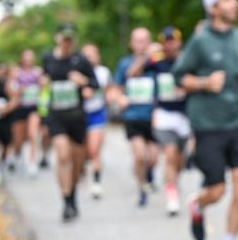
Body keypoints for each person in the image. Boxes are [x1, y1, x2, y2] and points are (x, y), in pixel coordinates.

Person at [173, 0, 238, 240]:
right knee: (217, 190)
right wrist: (204, 83)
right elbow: (179, 77)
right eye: (227, 0)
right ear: (213, 8)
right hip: (208, 124)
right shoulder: (200, 42)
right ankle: (198, 204)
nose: (235, 4)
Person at [42, 24, 98, 222]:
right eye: (64, 38)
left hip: (76, 117)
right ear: (57, 38)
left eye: (70, 38)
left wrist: (83, 82)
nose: (67, 42)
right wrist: (44, 82)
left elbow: (94, 84)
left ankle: (72, 194)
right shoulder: (48, 58)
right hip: (56, 114)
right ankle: (65, 201)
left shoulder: (81, 60)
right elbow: (45, 78)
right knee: (63, 156)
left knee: (75, 162)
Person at [147, 26, 192, 216]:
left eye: (173, 40)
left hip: (185, 115)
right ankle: (172, 195)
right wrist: (146, 54)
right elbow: (133, 74)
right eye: (166, 40)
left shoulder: (187, 60)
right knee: (171, 153)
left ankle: (173, 182)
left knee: (180, 159)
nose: (170, 44)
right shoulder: (156, 61)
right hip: (165, 114)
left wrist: (187, 89)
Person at [113, 27, 161, 207]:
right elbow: (120, 84)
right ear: (131, 43)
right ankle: (141, 189)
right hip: (133, 116)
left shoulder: (157, 61)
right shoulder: (126, 63)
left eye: (144, 40)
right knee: (140, 156)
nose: (141, 44)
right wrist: (120, 98)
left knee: (153, 158)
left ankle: (149, 175)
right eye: (138, 40)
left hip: (153, 116)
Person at [81, 43, 113, 199]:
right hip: (80, 115)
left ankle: (96, 182)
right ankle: (83, 171)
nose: (90, 57)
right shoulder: (77, 73)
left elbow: (109, 91)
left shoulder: (103, 72)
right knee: (84, 152)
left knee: (95, 149)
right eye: (86, 55)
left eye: (92, 54)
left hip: (97, 114)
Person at [10, 49, 44, 175]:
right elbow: (10, 89)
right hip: (20, 107)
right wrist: (20, 90)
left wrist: (41, 85)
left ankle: (32, 162)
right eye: (27, 56)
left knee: (32, 134)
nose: (29, 59)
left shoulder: (37, 72)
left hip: (33, 107)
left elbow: (42, 88)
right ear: (22, 58)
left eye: (31, 56)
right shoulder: (16, 72)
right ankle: (16, 153)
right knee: (19, 139)